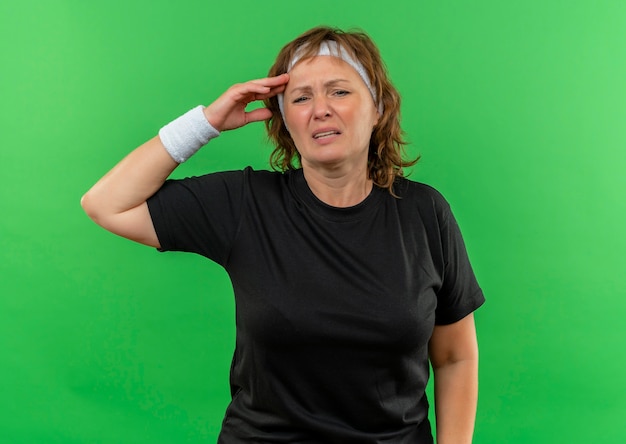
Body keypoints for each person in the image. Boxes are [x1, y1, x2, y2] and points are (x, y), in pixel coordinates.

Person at [81, 26, 485, 444]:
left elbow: (456, 357)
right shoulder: (245, 203)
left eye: (339, 92)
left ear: (378, 107)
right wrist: (206, 123)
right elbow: (106, 203)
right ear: (285, 120)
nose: (320, 109)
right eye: (301, 97)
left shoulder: (424, 213)